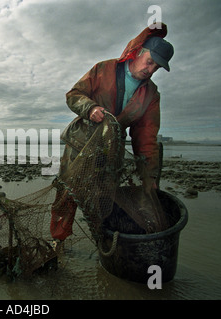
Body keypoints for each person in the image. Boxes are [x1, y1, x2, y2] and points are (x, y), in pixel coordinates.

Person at [51, 23, 174, 241]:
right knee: (68, 196)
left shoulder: (151, 95)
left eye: (156, 67)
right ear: (138, 52)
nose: (150, 69)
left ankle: (105, 245)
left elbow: (146, 138)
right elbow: (74, 95)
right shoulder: (104, 69)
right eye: (150, 62)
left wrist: (150, 175)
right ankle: (57, 241)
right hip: (80, 146)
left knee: (104, 199)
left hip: (110, 153)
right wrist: (90, 108)